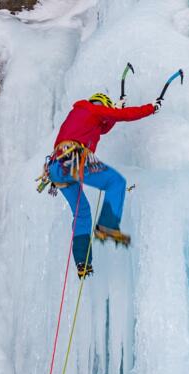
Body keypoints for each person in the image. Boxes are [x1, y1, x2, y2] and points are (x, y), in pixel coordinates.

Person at [38, 93, 161, 278]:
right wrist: (151, 108)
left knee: (82, 213)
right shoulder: (91, 108)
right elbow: (122, 116)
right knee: (116, 182)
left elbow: (104, 127)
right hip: (72, 159)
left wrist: (115, 109)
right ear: (101, 104)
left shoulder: (79, 115)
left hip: (56, 168)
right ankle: (107, 225)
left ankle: (82, 262)